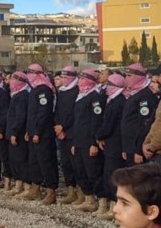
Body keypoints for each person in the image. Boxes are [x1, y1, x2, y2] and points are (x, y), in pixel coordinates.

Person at [21, 64, 58, 204]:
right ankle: (35, 189)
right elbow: (31, 114)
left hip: (43, 133)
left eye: (31, 72)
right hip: (32, 132)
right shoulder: (34, 90)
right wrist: (28, 131)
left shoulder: (44, 90)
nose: (29, 75)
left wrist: (37, 132)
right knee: (34, 161)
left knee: (46, 162)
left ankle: (51, 191)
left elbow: (43, 114)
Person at [71, 69, 106, 212]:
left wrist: (93, 143)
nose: (80, 82)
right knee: (81, 170)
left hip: (88, 141)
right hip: (79, 140)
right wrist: (74, 143)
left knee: (94, 172)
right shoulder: (80, 95)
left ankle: (102, 202)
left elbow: (96, 121)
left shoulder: (95, 97)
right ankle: (89, 199)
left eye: (83, 79)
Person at [94, 73, 126, 220]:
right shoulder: (113, 100)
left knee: (113, 175)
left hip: (115, 143)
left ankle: (115, 208)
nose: (107, 89)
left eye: (110, 85)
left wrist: (99, 136)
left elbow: (109, 124)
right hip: (111, 143)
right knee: (108, 173)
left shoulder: (118, 101)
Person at [121, 63, 159, 167]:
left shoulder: (145, 96)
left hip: (137, 148)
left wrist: (139, 151)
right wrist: (125, 147)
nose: (126, 79)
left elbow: (145, 125)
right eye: (126, 76)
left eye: (130, 76)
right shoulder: (133, 93)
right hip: (129, 146)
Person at [54, 67, 80, 204]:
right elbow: (57, 110)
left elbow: (73, 113)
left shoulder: (76, 91)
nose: (62, 80)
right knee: (65, 163)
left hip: (72, 132)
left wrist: (63, 127)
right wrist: (58, 126)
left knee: (75, 163)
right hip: (61, 133)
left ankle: (81, 193)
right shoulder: (62, 92)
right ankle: (71, 191)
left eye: (65, 77)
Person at [5, 71, 30, 196]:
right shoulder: (16, 95)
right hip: (12, 132)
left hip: (18, 134)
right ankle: (18, 184)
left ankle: (26, 187)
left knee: (21, 160)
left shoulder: (23, 96)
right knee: (14, 159)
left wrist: (14, 132)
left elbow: (20, 117)